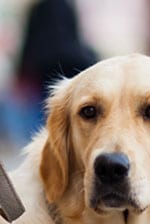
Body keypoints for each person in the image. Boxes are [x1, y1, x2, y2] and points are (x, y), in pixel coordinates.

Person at [16, 0, 98, 130]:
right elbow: (75, 36)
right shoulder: (66, 6)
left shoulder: (39, 9)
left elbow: (29, 42)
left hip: (44, 67)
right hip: (70, 65)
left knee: (42, 115)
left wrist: (21, 72)